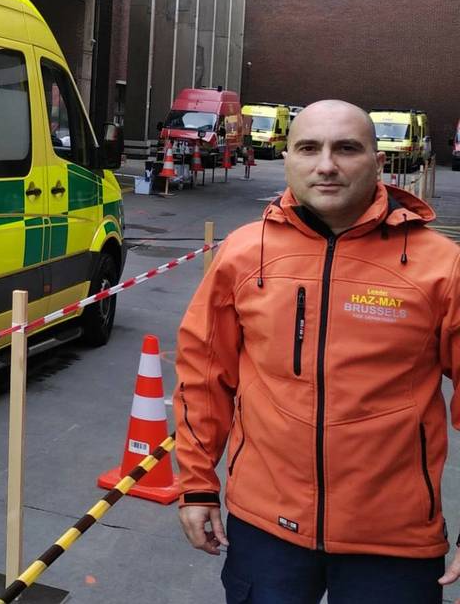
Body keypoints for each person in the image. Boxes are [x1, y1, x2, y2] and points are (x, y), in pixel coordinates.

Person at [174, 99, 460, 603]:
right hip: (266, 528)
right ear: (288, 159)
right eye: (309, 148)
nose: (326, 165)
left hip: (393, 538)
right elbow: (204, 375)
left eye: (346, 149)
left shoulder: (440, 265)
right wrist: (196, 484)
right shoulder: (244, 253)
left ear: (379, 161)